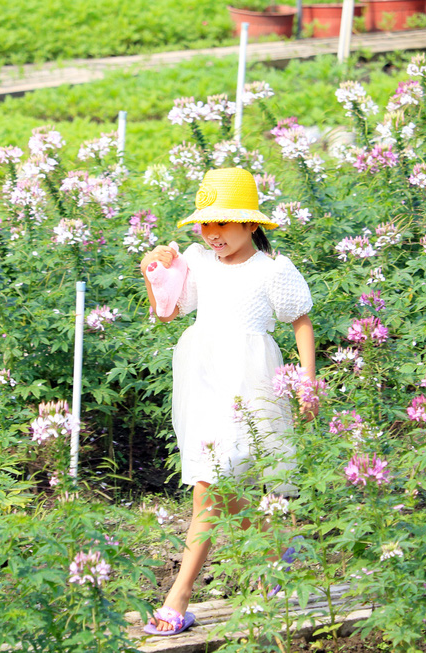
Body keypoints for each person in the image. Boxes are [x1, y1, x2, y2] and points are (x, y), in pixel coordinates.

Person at [139, 167, 317, 636]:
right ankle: (281, 547)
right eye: (207, 224)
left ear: (251, 224)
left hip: (250, 380)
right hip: (202, 377)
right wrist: (154, 274)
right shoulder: (197, 259)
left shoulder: (273, 269)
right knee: (212, 479)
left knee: (209, 485)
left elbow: (299, 320)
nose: (213, 234)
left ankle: (177, 597)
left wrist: (307, 381)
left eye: (223, 223)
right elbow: (171, 312)